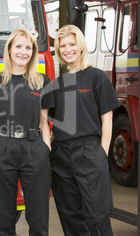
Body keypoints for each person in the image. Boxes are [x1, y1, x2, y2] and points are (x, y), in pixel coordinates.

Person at [0, 28, 53, 236]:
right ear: (9, 50)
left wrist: (45, 148)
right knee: (5, 216)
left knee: (38, 217)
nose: (23, 52)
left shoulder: (42, 82)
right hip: (2, 148)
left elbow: (44, 121)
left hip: (35, 149)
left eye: (28, 47)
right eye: (18, 46)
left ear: (33, 52)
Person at [49, 24, 119, 236]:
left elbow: (107, 119)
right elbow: (51, 122)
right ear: (58, 50)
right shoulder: (57, 83)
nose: (68, 49)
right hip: (61, 154)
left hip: (89, 151)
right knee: (69, 214)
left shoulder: (96, 77)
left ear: (81, 47)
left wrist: (102, 153)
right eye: (63, 46)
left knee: (96, 214)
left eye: (72, 44)